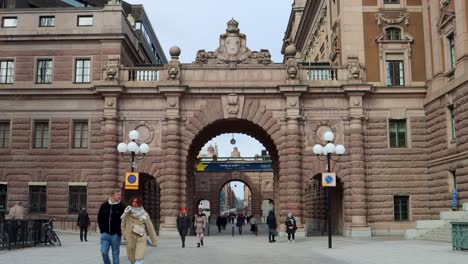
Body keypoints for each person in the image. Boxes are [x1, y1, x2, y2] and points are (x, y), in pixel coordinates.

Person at [121, 197, 158, 264]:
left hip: (141, 237)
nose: (135, 204)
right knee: (131, 258)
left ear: (140, 203)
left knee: (139, 258)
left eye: (137, 202)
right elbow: (123, 224)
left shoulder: (144, 214)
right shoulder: (127, 213)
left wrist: (154, 241)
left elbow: (150, 227)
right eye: (133, 202)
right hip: (130, 238)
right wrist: (124, 234)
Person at [98, 189, 126, 264]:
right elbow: (99, 218)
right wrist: (102, 230)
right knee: (104, 252)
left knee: (115, 254)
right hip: (105, 234)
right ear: (112, 195)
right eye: (118, 194)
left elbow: (125, 220)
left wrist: (120, 232)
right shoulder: (104, 205)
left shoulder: (122, 206)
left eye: (120, 194)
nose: (120, 196)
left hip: (116, 235)